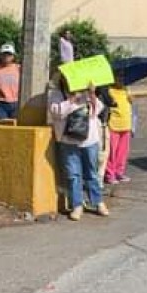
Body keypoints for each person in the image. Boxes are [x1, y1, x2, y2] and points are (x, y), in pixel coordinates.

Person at [48, 76, 110, 219]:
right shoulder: (57, 94)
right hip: (68, 141)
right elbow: (56, 112)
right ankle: (77, 205)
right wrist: (72, 99)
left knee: (92, 173)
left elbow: (97, 110)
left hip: (89, 140)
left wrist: (92, 94)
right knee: (73, 175)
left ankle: (98, 202)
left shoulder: (87, 92)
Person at [104, 72, 133, 185]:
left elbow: (130, 105)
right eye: (118, 77)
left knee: (123, 152)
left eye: (122, 77)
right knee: (112, 151)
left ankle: (119, 172)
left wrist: (130, 99)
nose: (121, 80)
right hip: (114, 125)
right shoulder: (109, 91)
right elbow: (108, 104)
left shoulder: (125, 90)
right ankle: (110, 174)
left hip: (126, 125)